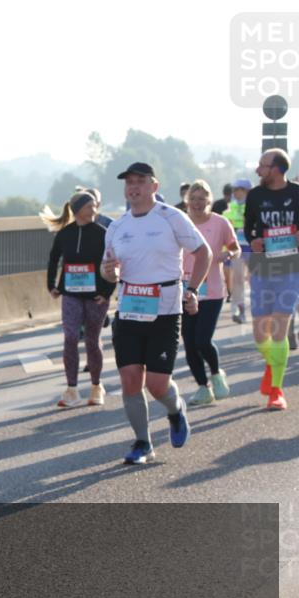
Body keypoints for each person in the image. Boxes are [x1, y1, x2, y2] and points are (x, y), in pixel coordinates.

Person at [101, 163, 212, 465]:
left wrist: (192, 290)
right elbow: (108, 271)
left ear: (154, 185)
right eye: (129, 183)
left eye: (140, 181)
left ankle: (175, 412)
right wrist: (109, 272)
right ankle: (142, 442)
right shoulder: (117, 226)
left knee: (157, 385)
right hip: (129, 310)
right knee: (130, 379)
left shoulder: (171, 217)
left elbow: (203, 253)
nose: (134, 187)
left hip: (164, 309)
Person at [42, 191, 114, 407]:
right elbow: (54, 259)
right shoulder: (65, 234)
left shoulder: (103, 233)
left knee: (92, 340)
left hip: (96, 296)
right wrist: (52, 285)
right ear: (77, 210)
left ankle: (96, 386)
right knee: (70, 337)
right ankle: (71, 389)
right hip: (71, 294)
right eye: (89, 207)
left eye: (94, 206)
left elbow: (112, 263)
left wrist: (107, 291)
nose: (94, 210)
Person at [245, 148, 299, 410]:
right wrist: (253, 240)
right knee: (259, 334)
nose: (258, 170)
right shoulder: (255, 196)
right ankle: (272, 365)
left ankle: (276, 390)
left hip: (290, 267)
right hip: (262, 268)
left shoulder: (297, 194)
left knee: (279, 327)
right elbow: (248, 228)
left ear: (276, 169)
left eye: (262, 165)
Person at [180, 180, 240, 405]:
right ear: (187, 201)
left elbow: (235, 247)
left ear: (209, 200)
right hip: (184, 289)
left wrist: (229, 255)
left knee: (202, 340)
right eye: (193, 199)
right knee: (189, 342)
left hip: (213, 290)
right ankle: (202, 388)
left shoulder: (220, 223)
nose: (197, 203)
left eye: (201, 198)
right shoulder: (181, 223)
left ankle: (216, 373)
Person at [226, 178, 253, 323]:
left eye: (240, 189)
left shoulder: (255, 206)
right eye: (235, 190)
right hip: (237, 247)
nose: (236, 192)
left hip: (253, 246)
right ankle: (239, 309)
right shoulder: (230, 208)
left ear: (246, 191)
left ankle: (258, 309)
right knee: (237, 280)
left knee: (255, 279)